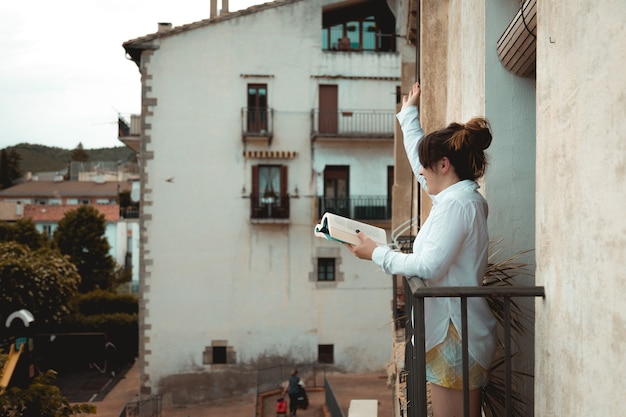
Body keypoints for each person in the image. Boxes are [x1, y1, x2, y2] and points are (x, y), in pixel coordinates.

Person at [347, 81, 497, 417]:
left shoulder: (458, 205)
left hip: (453, 333)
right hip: (454, 330)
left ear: (444, 165)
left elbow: (429, 266)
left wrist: (376, 253)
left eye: (427, 166)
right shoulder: (456, 198)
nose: (421, 172)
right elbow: (421, 165)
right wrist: (408, 116)